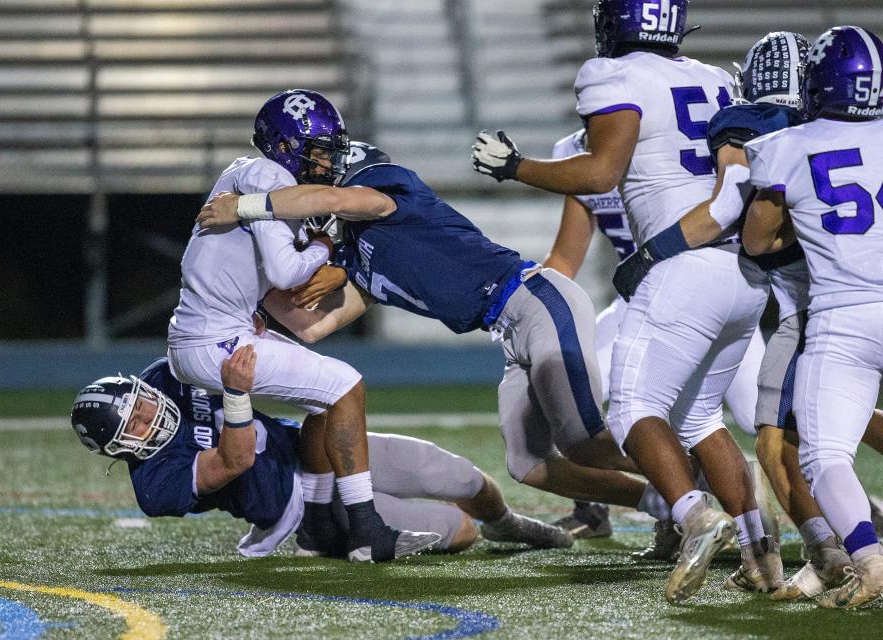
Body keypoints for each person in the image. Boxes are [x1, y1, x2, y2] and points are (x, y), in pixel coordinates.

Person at [197, 142, 678, 539]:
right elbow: (311, 327)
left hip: (535, 298)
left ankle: (699, 481)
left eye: (328, 166)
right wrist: (250, 299)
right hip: (510, 329)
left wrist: (246, 207)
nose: (319, 173)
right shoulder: (359, 255)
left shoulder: (386, 188)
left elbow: (342, 201)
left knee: (583, 441)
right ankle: (663, 501)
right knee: (528, 464)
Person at [470, 0, 773, 604]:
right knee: (700, 420)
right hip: (738, 269)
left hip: (676, 270)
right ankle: (759, 551)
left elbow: (603, 171)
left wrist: (516, 166)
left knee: (634, 411)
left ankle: (691, 514)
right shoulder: (714, 79)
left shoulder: (611, 75)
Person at [166, 89, 437, 562]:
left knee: (324, 399)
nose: (326, 161)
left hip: (209, 334)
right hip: (218, 340)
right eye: (319, 150)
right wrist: (326, 248)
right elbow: (286, 273)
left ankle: (315, 524)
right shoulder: (268, 175)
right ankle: (365, 528)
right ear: (286, 148)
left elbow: (301, 317)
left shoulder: (242, 170)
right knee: (347, 385)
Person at [70, 348, 571, 559]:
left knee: (461, 477)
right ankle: (322, 530)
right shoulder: (155, 485)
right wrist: (237, 396)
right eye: (132, 424)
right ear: (119, 448)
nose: (148, 415)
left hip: (314, 446)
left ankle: (511, 524)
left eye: (140, 403)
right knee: (458, 531)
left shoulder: (167, 373)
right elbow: (234, 460)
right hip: (288, 501)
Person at [544, 127, 767, 546]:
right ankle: (606, 507)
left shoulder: (684, 133)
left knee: (764, 414)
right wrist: (527, 304)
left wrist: (519, 168)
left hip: (698, 283)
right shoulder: (577, 151)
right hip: (640, 297)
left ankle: (847, 514)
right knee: (565, 386)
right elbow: (565, 255)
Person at [742, 25, 883, 609]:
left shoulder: (788, 146)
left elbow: (755, 241)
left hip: (844, 315)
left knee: (825, 458)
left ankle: (871, 562)